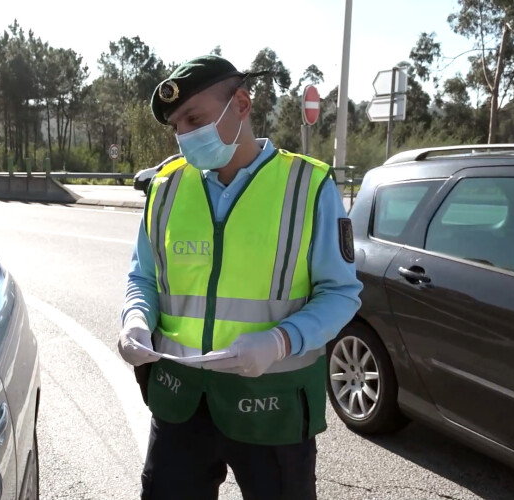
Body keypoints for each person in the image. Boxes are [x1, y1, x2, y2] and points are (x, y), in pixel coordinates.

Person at [118, 54, 363, 500]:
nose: (185, 135)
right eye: (176, 126)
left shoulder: (307, 186)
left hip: (272, 404)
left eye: (195, 118)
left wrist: (280, 341)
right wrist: (135, 318)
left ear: (242, 104)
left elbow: (341, 293)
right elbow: (144, 277)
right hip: (180, 401)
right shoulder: (166, 186)